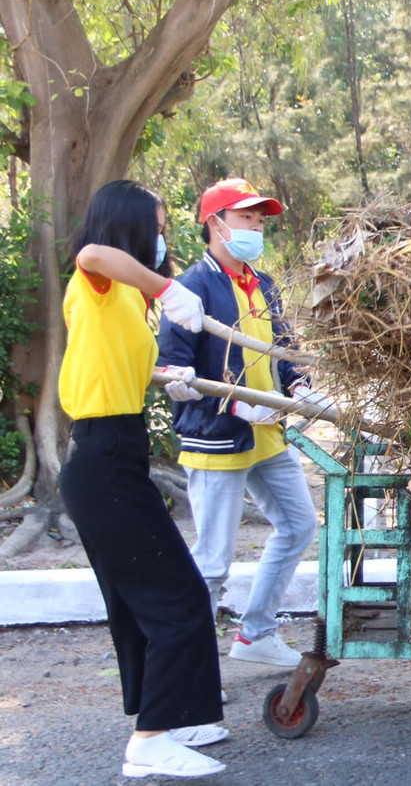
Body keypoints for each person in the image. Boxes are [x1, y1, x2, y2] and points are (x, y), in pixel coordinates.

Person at [58, 179, 228, 778]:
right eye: (155, 226)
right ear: (128, 226)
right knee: (178, 596)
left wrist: (165, 374)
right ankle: (150, 742)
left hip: (116, 454)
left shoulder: (128, 302)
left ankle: (179, 715)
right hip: (101, 461)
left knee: (139, 603)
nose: (162, 237)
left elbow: (110, 361)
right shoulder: (102, 277)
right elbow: (89, 254)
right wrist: (164, 284)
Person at [157, 178, 321, 668]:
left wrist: (300, 387)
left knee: (298, 525)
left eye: (259, 219)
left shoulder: (262, 283)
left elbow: (284, 353)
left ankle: (256, 635)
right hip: (216, 439)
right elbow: (174, 371)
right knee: (212, 562)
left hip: (268, 434)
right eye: (245, 217)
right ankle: (190, 668)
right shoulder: (191, 288)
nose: (255, 226)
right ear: (215, 224)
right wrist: (234, 406)